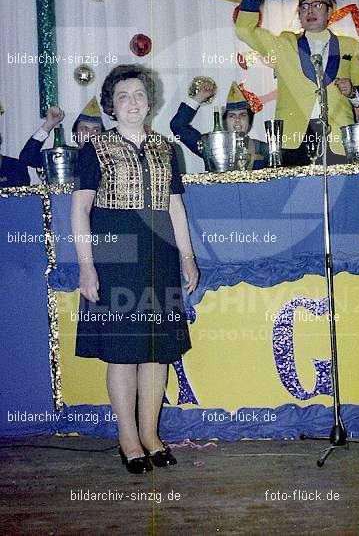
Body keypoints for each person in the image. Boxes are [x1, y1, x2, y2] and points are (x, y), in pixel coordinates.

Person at [71, 65, 198, 474]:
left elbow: (175, 207)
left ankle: (151, 434)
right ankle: (128, 439)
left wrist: (188, 257)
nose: (132, 102)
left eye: (139, 94)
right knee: (124, 353)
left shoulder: (166, 148)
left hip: (160, 258)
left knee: (158, 352)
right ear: (111, 104)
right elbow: (80, 209)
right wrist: (87, 267)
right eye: (123, 95)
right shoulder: (95, 149)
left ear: (150, 101)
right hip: (116, 258)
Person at [235, 0, 359, 165]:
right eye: (305, 6)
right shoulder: (284, 44)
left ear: (329, 12)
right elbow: (244, 30)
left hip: (338, 138)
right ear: (299, 13)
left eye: (317, 5)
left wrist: (353, 91)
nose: (310, 11)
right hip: (294, 139)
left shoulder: (350, 45)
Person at [170, 80, 269, 170]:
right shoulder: (212, 147)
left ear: (249, 120)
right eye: (232, 116)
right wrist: (200, 97)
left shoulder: (262, 149)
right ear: (225, 121)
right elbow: (178, 125)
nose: (237, 120)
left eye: (242, 115)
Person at [19, 98, 104, 169]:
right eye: (85, 129)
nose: (90, 134)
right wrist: (49, 124)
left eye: (96, 130)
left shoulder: (110, 158)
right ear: (75, 135)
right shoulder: (65, 156)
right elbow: (27, 157)